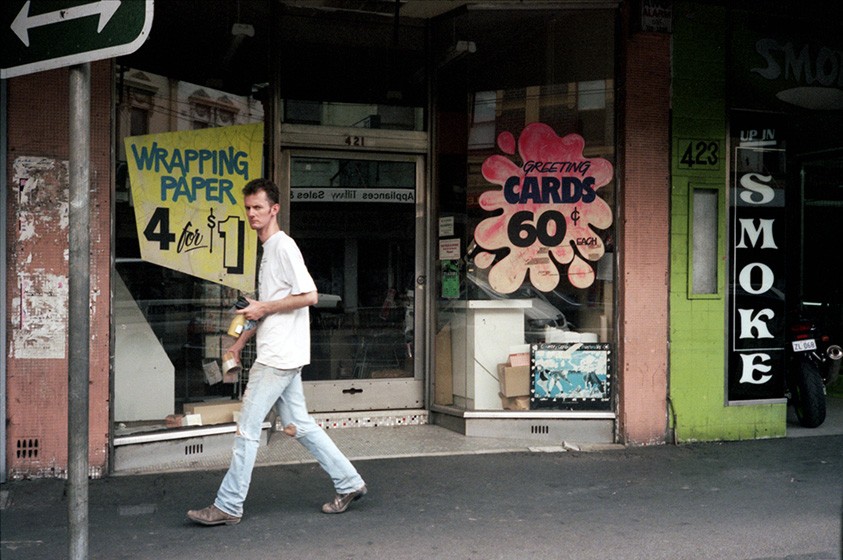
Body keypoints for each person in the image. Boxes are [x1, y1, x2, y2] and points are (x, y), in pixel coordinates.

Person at [187, 178, 367, 526]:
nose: (252, 214)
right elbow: (264, 307)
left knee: (246, 430)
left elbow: (310, 296)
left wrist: (263, 309)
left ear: (274, 209)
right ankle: (349, 482)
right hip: (282, 352)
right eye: (248, 208)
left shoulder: (283, 247)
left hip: (277, 358)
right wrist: (239, 343)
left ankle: (228, 505)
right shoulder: (269, 250)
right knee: (300, 425)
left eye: (258, 207)